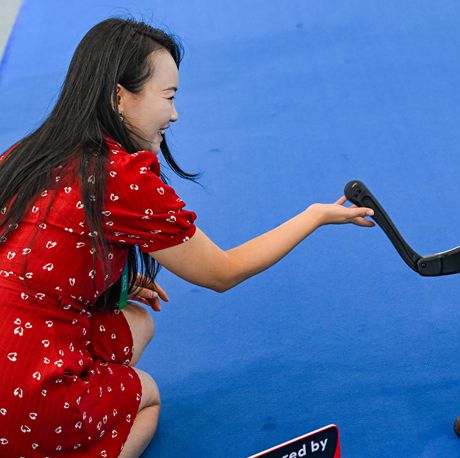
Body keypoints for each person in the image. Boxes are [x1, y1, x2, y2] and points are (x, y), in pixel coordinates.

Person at [0, 18, 374, 457]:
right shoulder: (120, 176)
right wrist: (315, 216)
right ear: (119, 97)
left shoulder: (24, 156)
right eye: (169, 97)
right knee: (147, 396)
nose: (175, 114)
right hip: (25, 392)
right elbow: (223, 272)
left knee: (139, 322)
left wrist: (103, 279)